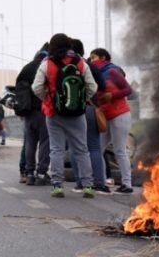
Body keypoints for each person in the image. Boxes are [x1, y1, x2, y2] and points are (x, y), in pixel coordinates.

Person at [32, 33, 98, 198]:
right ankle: (88, 186)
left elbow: (36, 87)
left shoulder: (46, 64)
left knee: (56, 149)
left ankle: (57, 185)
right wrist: (82, 100)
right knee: (82, 149)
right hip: (77, 114)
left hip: (54, 113)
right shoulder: (81, 62)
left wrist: (48, 99)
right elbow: (93, 86)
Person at [90, 47, 134, 195]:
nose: (91, 60)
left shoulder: (112, 72)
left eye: (94, 57)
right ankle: (101, 182)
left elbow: (128, 90)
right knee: (98, 149)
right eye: (90, 58)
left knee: (119, 150)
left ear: (103, 57)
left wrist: (112, 95)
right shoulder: (94, 75)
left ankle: (127, 184)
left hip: (120, 114)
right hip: (105, 116)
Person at [69, 40, 109, 194]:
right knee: (93, 147)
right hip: (89, 107)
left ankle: (80, 183)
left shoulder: (61, 65)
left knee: (74, 147)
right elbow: (102, 86)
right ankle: (99, 183)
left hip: (70, 111)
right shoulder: (88, 65)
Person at [15, 45, 51, 186]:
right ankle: (41, 173)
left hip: (28, 113)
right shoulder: (46, 66)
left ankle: (29, 173)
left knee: (30, 143)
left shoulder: (27, 67)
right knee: (44, 143)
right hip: (43, 111)